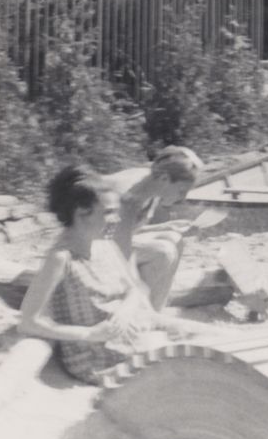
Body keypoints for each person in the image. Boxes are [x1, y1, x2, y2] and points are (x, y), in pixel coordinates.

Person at [17, 165, 200, 385]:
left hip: (131, 333)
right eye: (109, 212)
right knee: (198, 361)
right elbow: (28, 321)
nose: (116, 219)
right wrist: (89, 334)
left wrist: (124, 310)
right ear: (82, 214)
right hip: (98, 356)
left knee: (215, 340)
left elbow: (137, 288)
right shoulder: (61, 258)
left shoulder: (104, 245)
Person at [107, 146, 203, 310]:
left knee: (174, 238)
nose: (183, 198)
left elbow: (126, 231)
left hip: (108, 243)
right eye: (181, 190)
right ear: (165, 179)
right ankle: (141, 312)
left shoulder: (152, 184)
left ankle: (157, 310)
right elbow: (117, 247)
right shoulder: (131, 196)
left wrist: (167, 226)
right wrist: (137, 289)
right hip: (89, 254)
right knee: (163, 251)